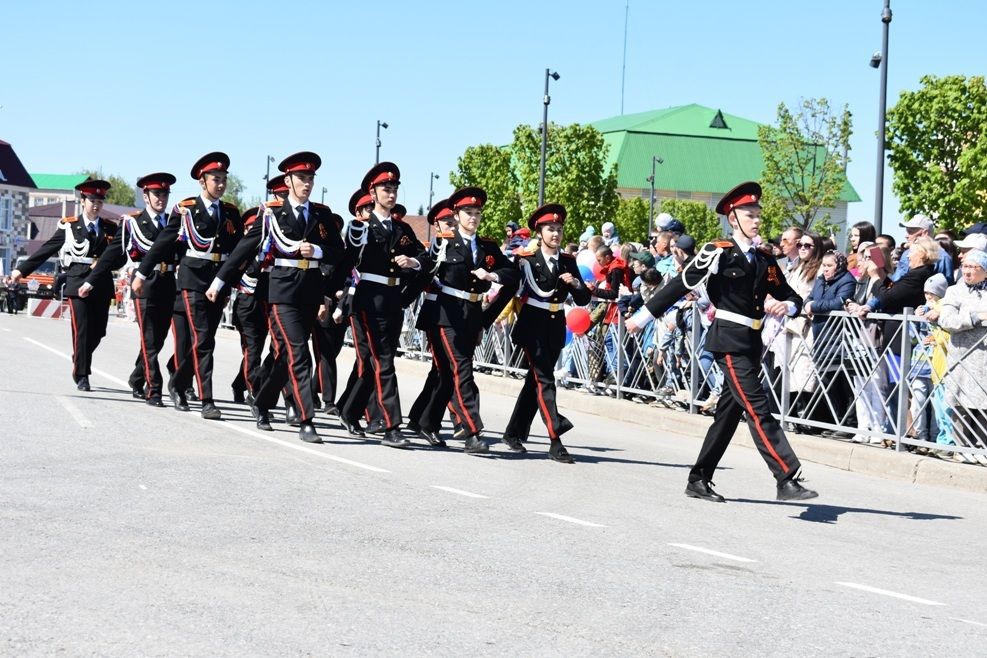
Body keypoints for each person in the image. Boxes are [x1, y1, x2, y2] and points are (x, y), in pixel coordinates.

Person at [627, 181, 817, 502]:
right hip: (728, 340)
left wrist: (790, 306)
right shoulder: (717, 252)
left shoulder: (764, 259)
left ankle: (698, 478)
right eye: (749, 214)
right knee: (758, 408)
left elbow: (788, 293)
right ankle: (786, 476)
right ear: (733, 219)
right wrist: (643, 316)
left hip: (752, 343)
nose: (756, 219)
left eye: (758, 214)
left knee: (728, 415)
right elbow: (679, 284)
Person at [209, 152, 345, 443]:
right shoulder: (271, 214)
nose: (307, 184)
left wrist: (319, 254)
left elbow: (341, 255)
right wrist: (219, 281)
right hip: (280, 293)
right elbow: (244, 249)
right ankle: (306, 419)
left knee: (283, 357)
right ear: (288, 181)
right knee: (299, 353)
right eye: (301, 178)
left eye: (310, 179)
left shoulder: (321, 215)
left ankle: (261, 399)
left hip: (309, 292)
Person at [135, 152, 243, 419]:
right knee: (203, 340)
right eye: (215, 179)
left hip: (219, 281)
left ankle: (177, 384)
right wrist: (141, 272)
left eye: (223, 179)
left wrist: (232, 282)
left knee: (206, 340)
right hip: (192, 280)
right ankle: (207, 399)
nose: (220, 184)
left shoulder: (230, 212)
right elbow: (163, 243)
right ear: (202, 182)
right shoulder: (186, 209)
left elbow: (240, 249)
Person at [417, 187, 518, 453]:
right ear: (457, 215)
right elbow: (426, 266)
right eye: (467, 213)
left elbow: (512, 275)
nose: (473, 217)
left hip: (472, 314)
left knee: (449, 376)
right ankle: (473, 431)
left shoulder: (487, 247)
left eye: (477, 213)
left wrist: (492, 276)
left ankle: (426, 422)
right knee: (462, 370)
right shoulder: (445, 241)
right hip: (445, 315)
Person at [339, 162, 429, 448]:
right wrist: (332, 296)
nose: (391, 194)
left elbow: (425, 259)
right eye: (385, 189)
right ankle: (392, 426)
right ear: (372, 193)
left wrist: (413, 262)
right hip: (368, 299)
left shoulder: (402, 229)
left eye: (394, 189)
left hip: (393, 301)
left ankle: (349, 411)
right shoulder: (362, 227)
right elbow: (347, 261)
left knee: (370, 364)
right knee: (384, 361)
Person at [502, 203, 592, 463]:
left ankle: (513, 433)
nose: (556, 234)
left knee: (535, 382)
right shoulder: (527, 260)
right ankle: (556, 438)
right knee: (545, 380)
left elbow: (584, 298)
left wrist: (574, 283)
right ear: (539, 232)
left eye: (559, 229)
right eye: (550, 229)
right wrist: (490, 316)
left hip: (555, 324)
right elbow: (511, 289)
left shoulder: (568, 261)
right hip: (532, 324)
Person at [11, 180, 118, 391]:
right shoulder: (70, 226)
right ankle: (82, 374)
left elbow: (119, 255)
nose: (96, 205)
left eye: (100, 201)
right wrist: (21, 270)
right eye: (92, 200)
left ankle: (79, 356)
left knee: (99, 331)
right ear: (83, 201)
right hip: (77, 283)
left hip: (101, 284)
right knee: (83, 330)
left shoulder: (110, 228)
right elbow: (46, 249)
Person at [82, 172, 179, 406]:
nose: (161, 198)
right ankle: (153, 389)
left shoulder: (175, 223)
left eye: (165, 194)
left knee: (158, 339)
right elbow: (110, 255)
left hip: (168, 282)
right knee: (148, 337)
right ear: (145, 196)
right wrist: (90, 281)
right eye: (156, 194)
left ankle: (136, 378)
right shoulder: (132, 223)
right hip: (143, 283)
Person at [937, 249, 987, 465]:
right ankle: (961, 447)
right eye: (965, 266)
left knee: (984, 403)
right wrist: (974, 317)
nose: (967, 271)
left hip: (984, 358)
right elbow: (946, 320)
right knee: (962, 403)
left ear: (985, 271)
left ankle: (981, 448)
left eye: (973, 267)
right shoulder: (954, 292)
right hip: (963, 356)